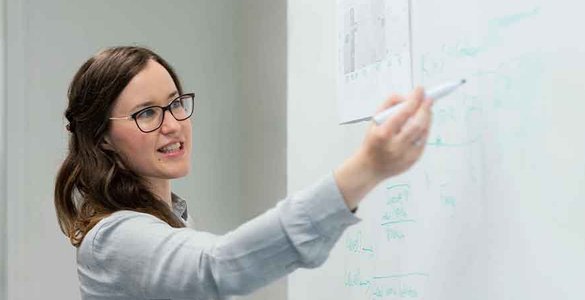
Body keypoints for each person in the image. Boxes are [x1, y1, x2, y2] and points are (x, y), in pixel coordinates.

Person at [54, 46, 433, 299]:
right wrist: (366, 168)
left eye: (175, 104)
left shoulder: (173, 220)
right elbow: (219, 265)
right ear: (103, 138)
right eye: (147, 113)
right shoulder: (113, 240)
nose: (173, 125)